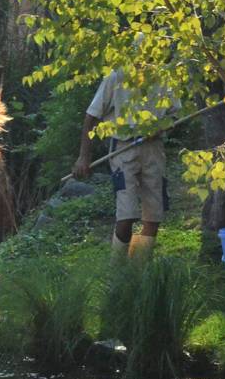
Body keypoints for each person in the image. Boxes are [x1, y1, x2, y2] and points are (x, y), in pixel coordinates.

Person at [71, 66, 176, 259]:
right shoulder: (115, 77)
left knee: (153, 215)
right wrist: (84, 156)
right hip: (122, 148)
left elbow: (175, 113)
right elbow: (91, 116)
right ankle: (117, 270)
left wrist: (162, 126)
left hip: (154, 149)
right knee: (126, 215)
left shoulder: (163, 77)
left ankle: (138, 269)